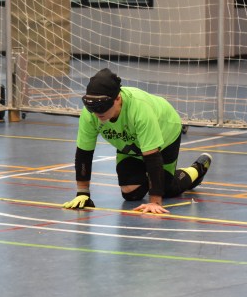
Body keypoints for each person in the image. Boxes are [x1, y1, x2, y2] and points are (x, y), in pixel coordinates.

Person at [63, 68, 212, 215]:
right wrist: (82, 192)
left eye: (102, 107)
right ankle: (152, 177)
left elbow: (152, 157)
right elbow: (84, 153)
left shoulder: (139, 110)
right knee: (131, 193)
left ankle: (196, 169)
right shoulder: (90, 114)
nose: (97, 113)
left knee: (166, 189)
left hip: (166, 133)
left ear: (117, 99)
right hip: (130, 145)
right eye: (92, 107)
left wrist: (154, 201)